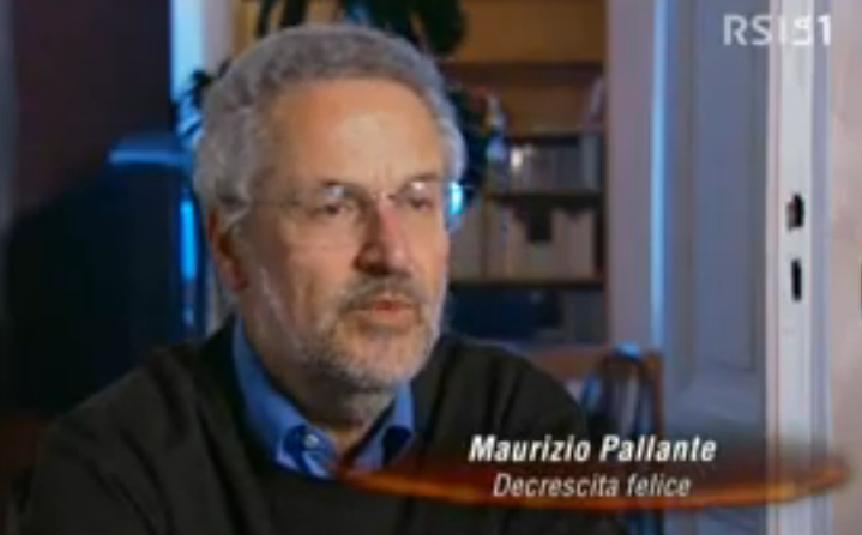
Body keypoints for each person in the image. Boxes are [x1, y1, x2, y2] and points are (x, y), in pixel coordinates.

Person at [21, 24, 617, 534]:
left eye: (417, 200)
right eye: (334, 206)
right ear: (230, 245)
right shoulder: (116, 465)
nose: (391, 253)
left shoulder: (518, 423)